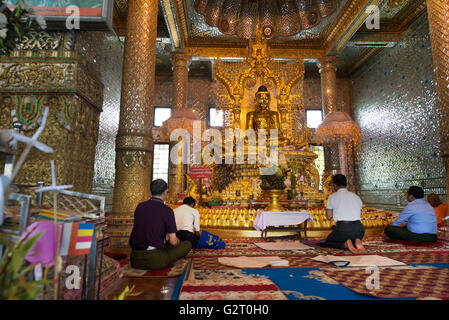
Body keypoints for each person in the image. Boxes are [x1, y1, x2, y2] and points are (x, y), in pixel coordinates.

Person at [129, 179, 192, 270]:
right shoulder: (167, 210)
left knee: (165, 244)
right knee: (187, 244)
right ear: (166, 192)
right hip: (154, 260)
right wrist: (177, 241)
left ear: (151, 191)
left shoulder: (140, 206)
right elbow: (173, 242)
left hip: (134, 258)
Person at [320, 174, 367, 254]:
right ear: (346, 184)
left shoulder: (332, 197)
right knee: (350, 234)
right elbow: (359, 213)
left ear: (334, 185)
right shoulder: (356, 196)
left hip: (344, 229)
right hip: (360, 229)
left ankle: (345, 244)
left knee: (328, 242)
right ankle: (357, 240)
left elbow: (329, 216)